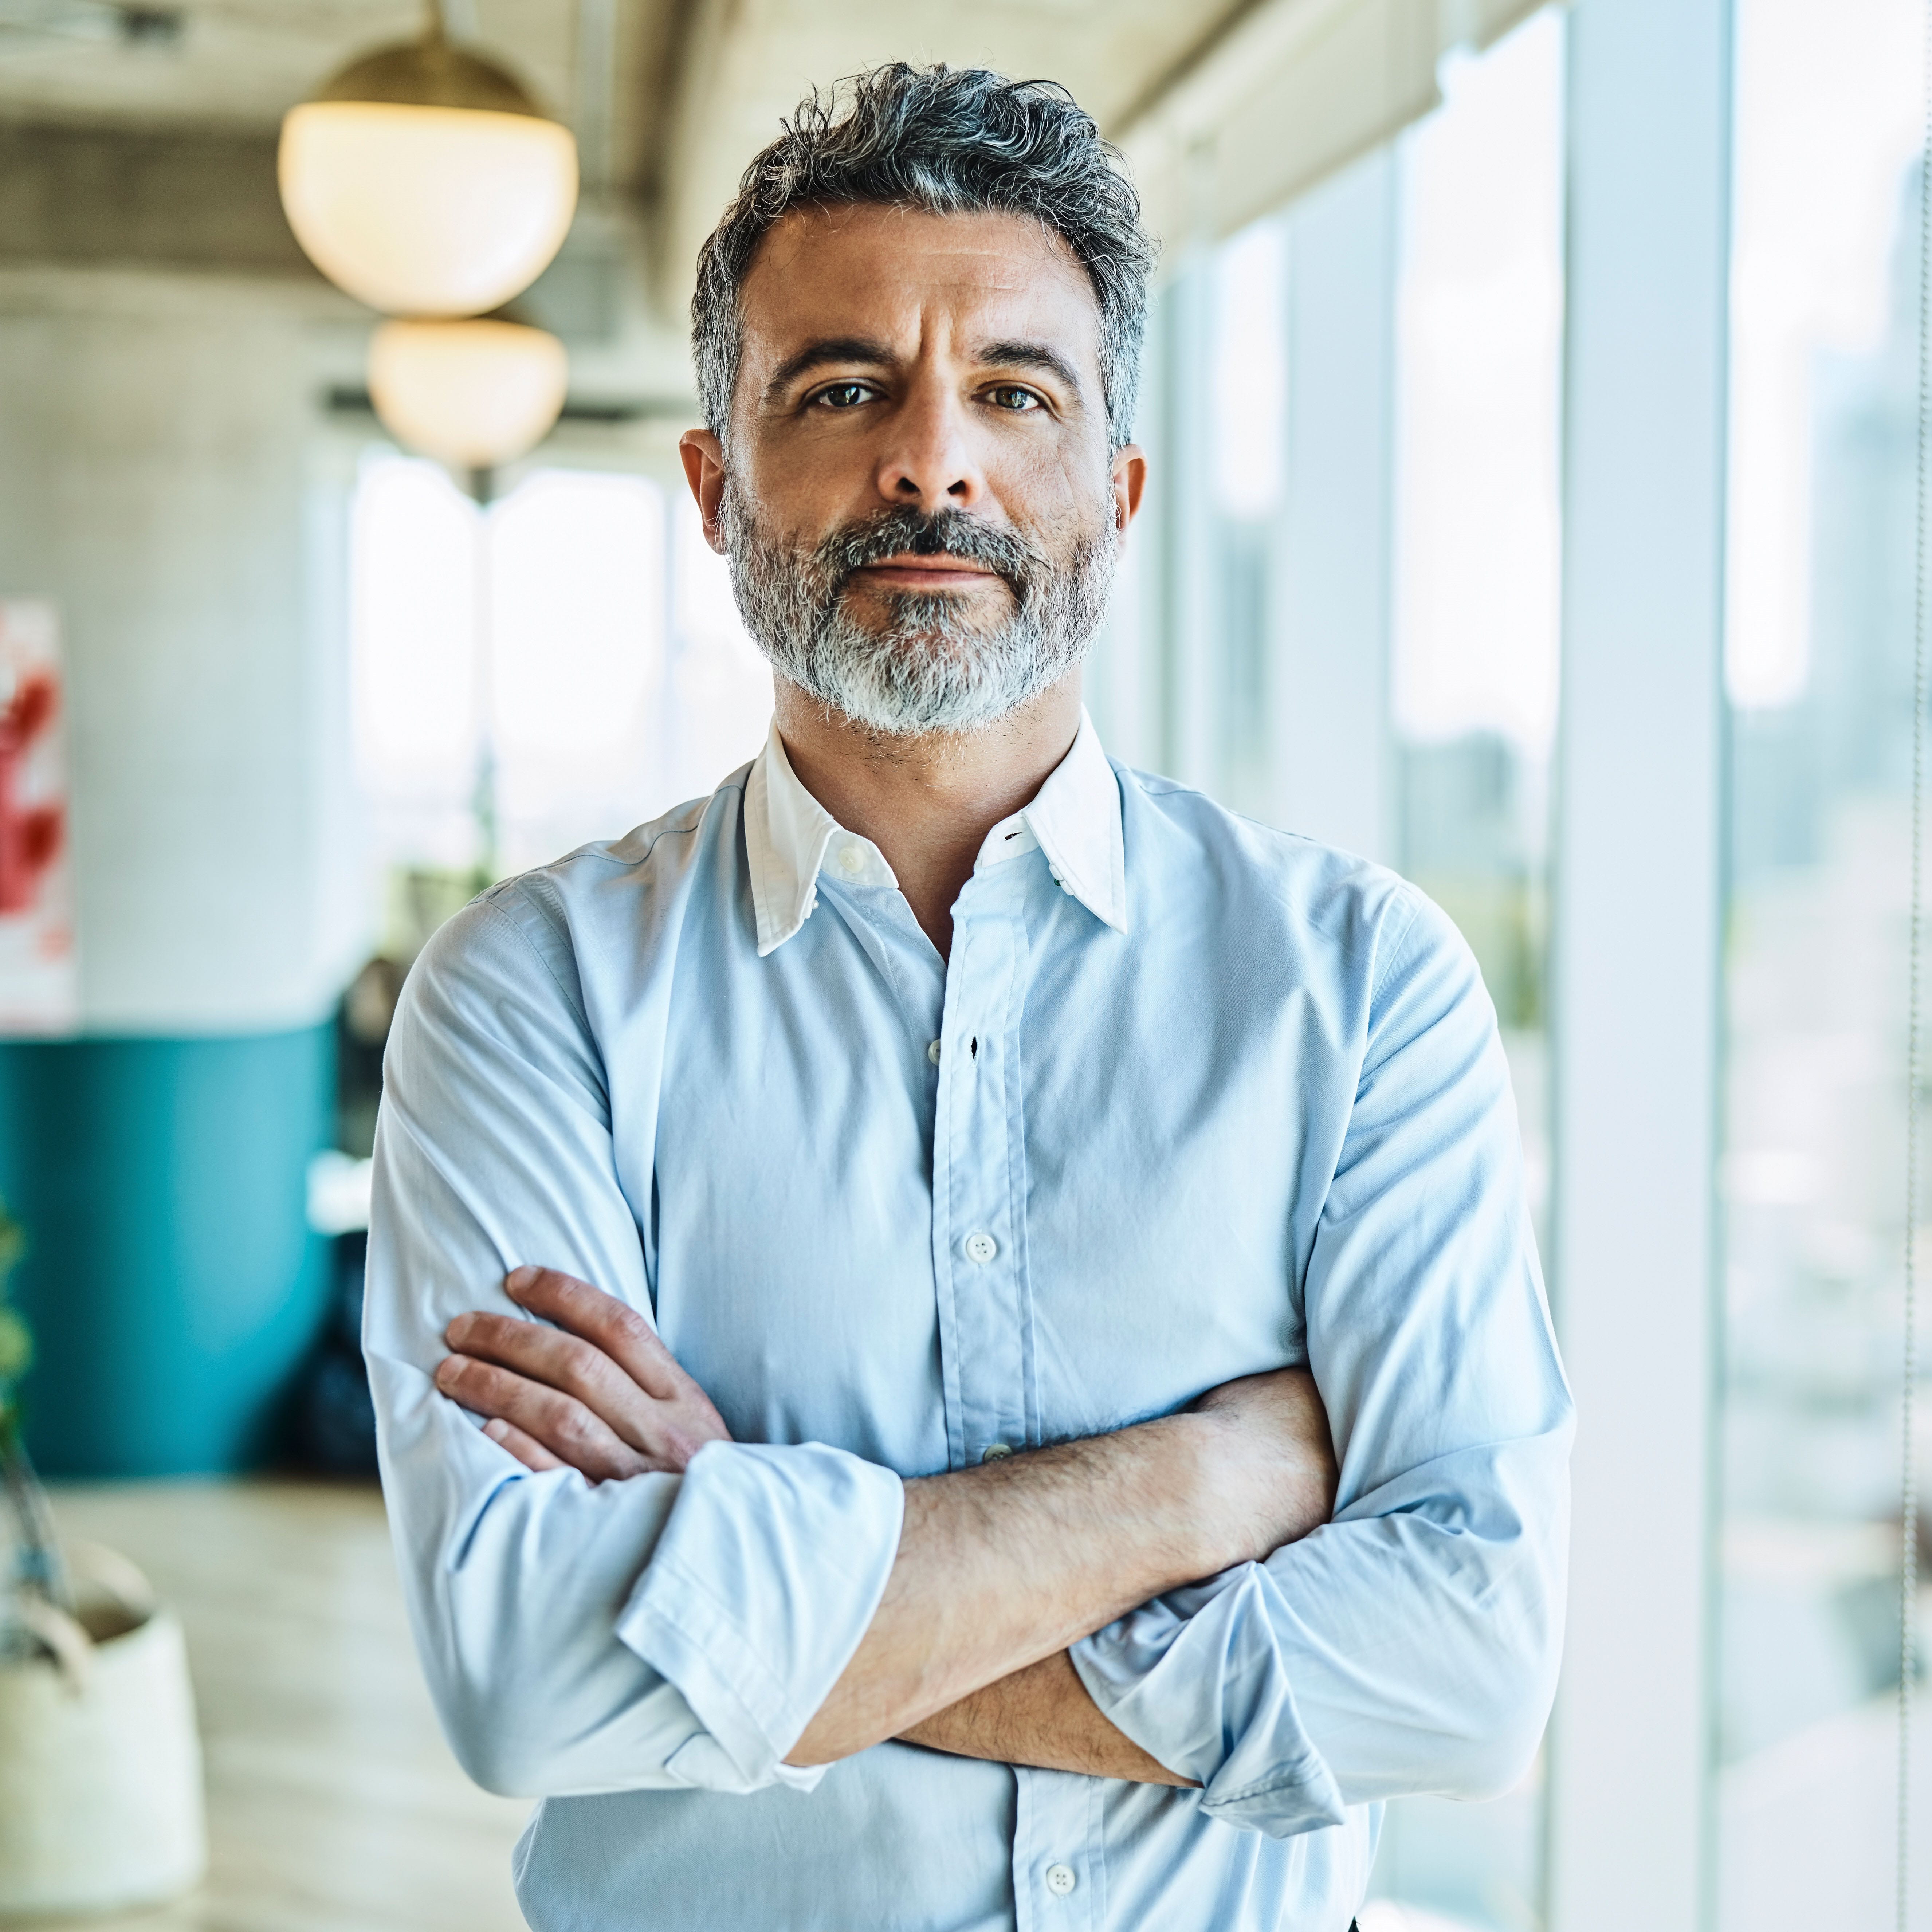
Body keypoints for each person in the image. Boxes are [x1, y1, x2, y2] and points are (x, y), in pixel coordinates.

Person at [365, 62, 1573, 1932]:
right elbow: (530, 1681)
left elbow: (1472, 1666)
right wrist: (1213, 1479)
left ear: (1119, 487)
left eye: (1016, 391)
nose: (934, 460)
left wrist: (756, 1584)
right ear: (713, 483)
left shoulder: (1363, 986)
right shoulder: (532, 1000)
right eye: (844, 387)